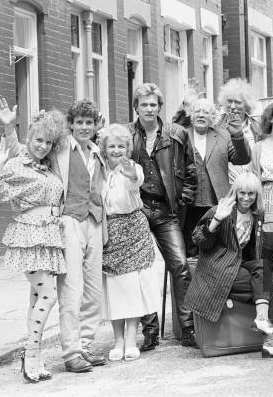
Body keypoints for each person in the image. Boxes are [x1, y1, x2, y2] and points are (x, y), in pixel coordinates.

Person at [0, 98, 108, 372]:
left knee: (94, 292)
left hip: (94, 221)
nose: (84, 127)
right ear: (70, 125)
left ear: (95, 126)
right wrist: (10, 128)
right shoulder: (59, 150)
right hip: (66, 221)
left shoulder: (97, 151)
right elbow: (24, 151)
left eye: (89, 123)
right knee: (71, 290)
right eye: (78, 122)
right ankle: (71, 353)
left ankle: (86, 345)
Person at [0, 110, 66, 382]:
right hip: (28, 236)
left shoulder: (48, 165)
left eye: (48, 142)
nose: (42, 146)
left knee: (36, 297)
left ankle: (35, 357)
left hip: (49, 237)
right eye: (38, 140)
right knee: (48, 295)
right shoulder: (15, 165)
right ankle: (30, 352)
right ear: (29, 137)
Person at [185, 172, 273, 358]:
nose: (246, 198)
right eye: (242, 193)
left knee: (264, 272)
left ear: (256, 195)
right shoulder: (221, 210)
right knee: (265, 286)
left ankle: (262, 320)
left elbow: (252, 251)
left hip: (238, 267)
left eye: (251, 194)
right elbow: (198, 240)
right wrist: (216, 221)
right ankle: (271, 342)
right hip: (217, 270)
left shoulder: (257, 214)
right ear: (236, 192)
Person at [122, 83, 198, 350]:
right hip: (137, 209)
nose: (149, 109)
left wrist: (184, 198)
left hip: (167, 210)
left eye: (153, 104)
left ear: (159, 107)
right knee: (141, 271)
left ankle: (188, 328)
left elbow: (191, 169)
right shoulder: (127, 134)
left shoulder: (176, 133)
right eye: (144, 104)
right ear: (136, 107)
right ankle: (150, 331)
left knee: (180, 266)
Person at [99, 124, 160, 362]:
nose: (116, 150)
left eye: (121, 146)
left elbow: (136, 180)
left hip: (133, 228)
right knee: (114, 287)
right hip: (110, 230)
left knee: (133, 287)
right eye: (111, 146)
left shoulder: (131, 167)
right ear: (104, 148)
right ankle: (118, 341)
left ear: (128, 147)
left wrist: (129, 173)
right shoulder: (99, 170)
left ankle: (132, 339)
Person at [183, 98, 251, 258]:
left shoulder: (223, 136)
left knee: (215, 248)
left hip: (216, 203)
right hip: (188, 204)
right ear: (191, 115)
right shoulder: (182, 134)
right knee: (190, 250)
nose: (201, 115)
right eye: (197, 111)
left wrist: (238, 136)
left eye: (205, 112)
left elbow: (242, 159)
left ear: (212, 116)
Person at [217, 78, 262, 184]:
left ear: (247, 105)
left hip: (252, 187)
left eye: (237, 102)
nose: (232, 106)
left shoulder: (258, 128)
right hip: (226, 187)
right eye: (229, 101)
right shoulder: (216, 127)